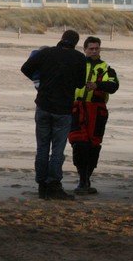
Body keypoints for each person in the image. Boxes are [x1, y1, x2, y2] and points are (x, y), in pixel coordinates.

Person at [20, 29, 86, 200]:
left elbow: (25, 68)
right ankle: (54, 184)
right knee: (57, 149)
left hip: (43, 105)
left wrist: (41, 82)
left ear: (61, 39)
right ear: (75, 43)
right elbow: (80, 83)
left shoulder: (46, 52)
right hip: (63, 109)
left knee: (42, 147)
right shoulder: (78, 58)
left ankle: (42, 185)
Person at [69, 36, 119, 195]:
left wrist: (97, 85)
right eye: (91, 48)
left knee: (94, 145)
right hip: (77, 108)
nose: (94, 51)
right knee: (78, 143)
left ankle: (86, 178)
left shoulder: (106, 68)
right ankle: (82, 178)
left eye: (97, 48)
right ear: (84, 50)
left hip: (97, 110)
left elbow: (113, 86)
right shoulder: (76, 65)